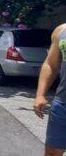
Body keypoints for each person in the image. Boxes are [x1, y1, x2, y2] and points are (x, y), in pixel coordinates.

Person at [34, 23, 66, 156]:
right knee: (52, 152)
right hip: (63, 104)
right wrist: (40, 94)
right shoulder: (62, 31)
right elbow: (50, 64)